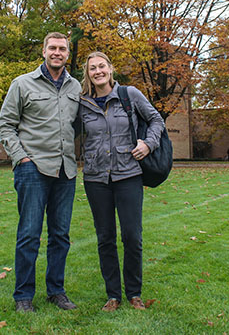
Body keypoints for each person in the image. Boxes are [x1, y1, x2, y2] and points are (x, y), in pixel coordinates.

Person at [0, 32, 81, 313]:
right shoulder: (22, 84)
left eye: (63, 49)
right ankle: (23, 296)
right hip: (33, 169)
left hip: (66, 170)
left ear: (68, 54)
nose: (57, 52)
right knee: (30, 234)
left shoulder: (76, 88)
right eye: (52, 48)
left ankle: (56, 291)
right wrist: (21, 158)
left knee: (61, 235)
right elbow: (5, 124)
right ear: (43, 51)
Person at [78, 51, 165, 312]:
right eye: (92, 68)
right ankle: (113, 295)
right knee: (105, 238)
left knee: (132, 236)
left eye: (101, 66)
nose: (98, 72)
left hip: (128, 175)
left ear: (110, 69)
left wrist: (148, 144)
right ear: (88, 74)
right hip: (95, 178)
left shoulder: (130, 95)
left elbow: (156, 120)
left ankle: (134, 293)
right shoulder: (81, 103)